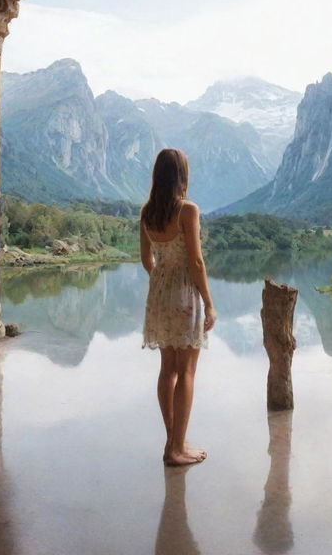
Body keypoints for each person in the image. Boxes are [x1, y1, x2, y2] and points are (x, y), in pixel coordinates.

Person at [141, 148, 216, 466]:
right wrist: (209, 303)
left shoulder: (147, 212)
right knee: (186, 371)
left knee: (167, 369)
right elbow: (196, 261)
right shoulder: (187, 210)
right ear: (182, 176)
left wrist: (161, 280)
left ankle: (173, 441)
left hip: (159, 293)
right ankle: (176, 448)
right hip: (185, 294)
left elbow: (147, 259)